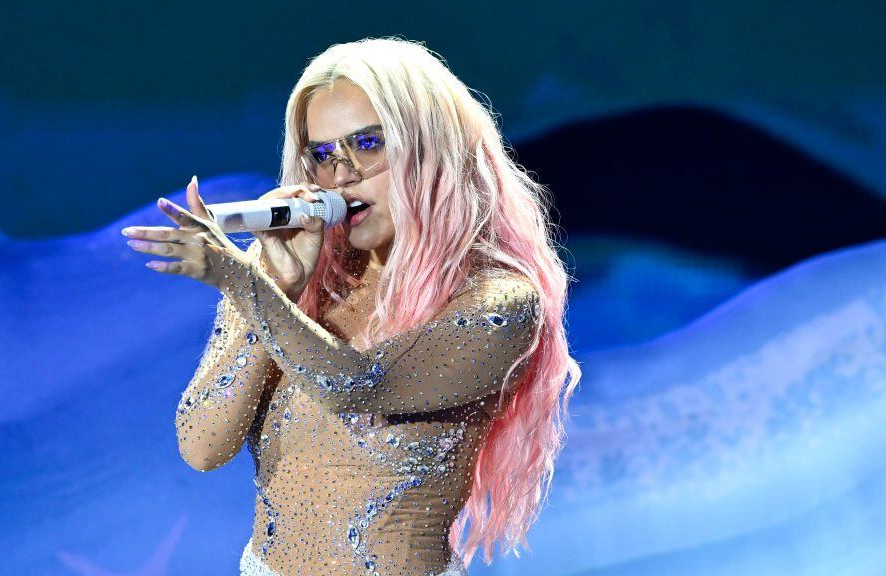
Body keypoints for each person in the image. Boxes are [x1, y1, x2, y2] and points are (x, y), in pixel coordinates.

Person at [122, 37, 581, 576]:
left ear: (430, 144)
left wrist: (244, 283)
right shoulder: (282, 282)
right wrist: (277, 281)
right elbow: (201, 446)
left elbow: (360, 386)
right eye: (322, 155)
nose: (342, 174)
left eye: (368, 143)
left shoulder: (499, 302)